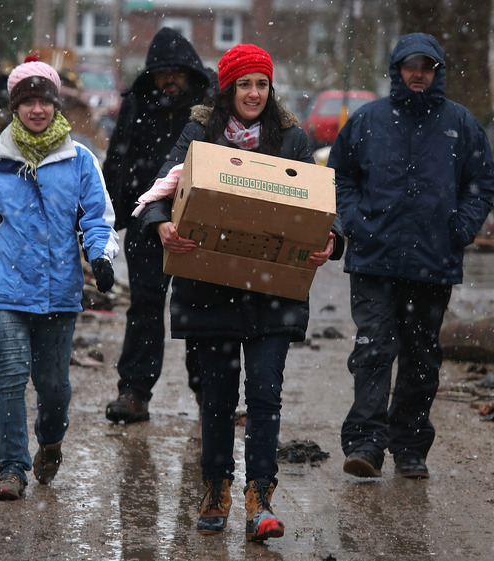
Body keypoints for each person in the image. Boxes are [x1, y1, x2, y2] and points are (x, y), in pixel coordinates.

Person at [137, 43, 344, 541]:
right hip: (210, 290)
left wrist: (332, 242)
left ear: (271, 90)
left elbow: (321, 207)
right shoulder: (199, 134)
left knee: (266, 395)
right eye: (244, 84)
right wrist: (161, 225)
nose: (253, 93)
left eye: (261, 84)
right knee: (216, 399)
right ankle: (216, 488)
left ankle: (260, 496)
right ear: (227, 89)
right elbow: (161, 188)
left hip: (273, 295)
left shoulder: (292, 138)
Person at [0, 56, 120, 500]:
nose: (36, 109)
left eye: (44, 100)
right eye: (28, 101)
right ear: (15, 106)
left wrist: (100, 257)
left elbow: (97, 218)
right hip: (3, 288)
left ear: (56, 105)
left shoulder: (79, 160)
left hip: (60, 292)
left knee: (54, 387)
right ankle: (12, 469)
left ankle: (51, 440)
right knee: (11, 375)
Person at [328, 32, 494, 480]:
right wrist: (354, 221)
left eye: (427, 66)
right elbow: (340, 175)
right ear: (398, 70)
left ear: (436, 71)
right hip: (373, 260)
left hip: (432, 263)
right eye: (410, 65)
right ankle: (365, 443)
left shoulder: (461, 125)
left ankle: (409, 447)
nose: (418, 73)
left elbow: (481, 186)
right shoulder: (367, 122)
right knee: (372, 351)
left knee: (421, 358)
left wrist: (458, 229)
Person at [102, 27, 213, 424]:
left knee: (198, 309)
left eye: (175, 72)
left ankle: (208, 395)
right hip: (146, 222)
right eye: (162, 72)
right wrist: (107, 219)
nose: (169, 80)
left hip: (199, 225)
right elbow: (118, 158)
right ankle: (133, 392)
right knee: (145, 307)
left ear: (189, 72)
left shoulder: (210, 105)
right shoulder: (138, 104)